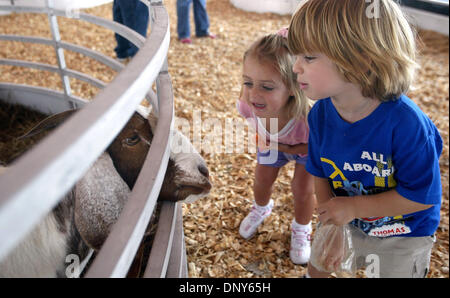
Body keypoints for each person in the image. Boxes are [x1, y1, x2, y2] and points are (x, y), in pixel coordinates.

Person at [288, 0, 443, 277]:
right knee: (318, 269)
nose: (295, 67)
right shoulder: (320, 114)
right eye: (296, 56)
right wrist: (332, 224)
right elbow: (319, 171)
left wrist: (354, 207)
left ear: (360, 60)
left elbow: (422, 197)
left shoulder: (407, 124)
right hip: (344, 218)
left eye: (308, 58)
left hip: (403, 233)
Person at [237, 29, 316, 265]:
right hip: (272, 144)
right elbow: (253, 123)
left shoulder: (308, 117)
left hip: (304, 148)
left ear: (294, 87)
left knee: (302, 189)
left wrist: (286, 148)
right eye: (248, 82)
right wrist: (264, 139)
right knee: (261, 179)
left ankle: (302, 227)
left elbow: (317, 148)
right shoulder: (247, 106)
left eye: (267, 87)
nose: (253, 94)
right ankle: (261, 207)